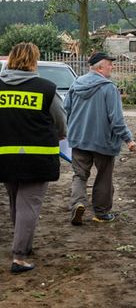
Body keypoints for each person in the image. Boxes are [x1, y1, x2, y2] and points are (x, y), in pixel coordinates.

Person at [0, 42, 66, 273]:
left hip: (5, 158)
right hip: (37, 158)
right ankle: (19, 256)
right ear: (32, 61)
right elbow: (60, 121)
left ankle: (24, 245)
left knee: (16, 201)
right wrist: (60, 135)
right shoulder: (46, 88)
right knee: (29, 205)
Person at [65, 52, 136, 225]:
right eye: (109, 64)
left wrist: (73, 129)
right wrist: (128, 139)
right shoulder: (108, 88)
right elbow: (116, 120)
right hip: (103, 141)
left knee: (79, 175)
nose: (112, 67)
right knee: (104, 176)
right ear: (100, 67)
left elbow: (66, 108)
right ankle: (101, 213)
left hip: (79, 139)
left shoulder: (76, 84)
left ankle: (78, 204)